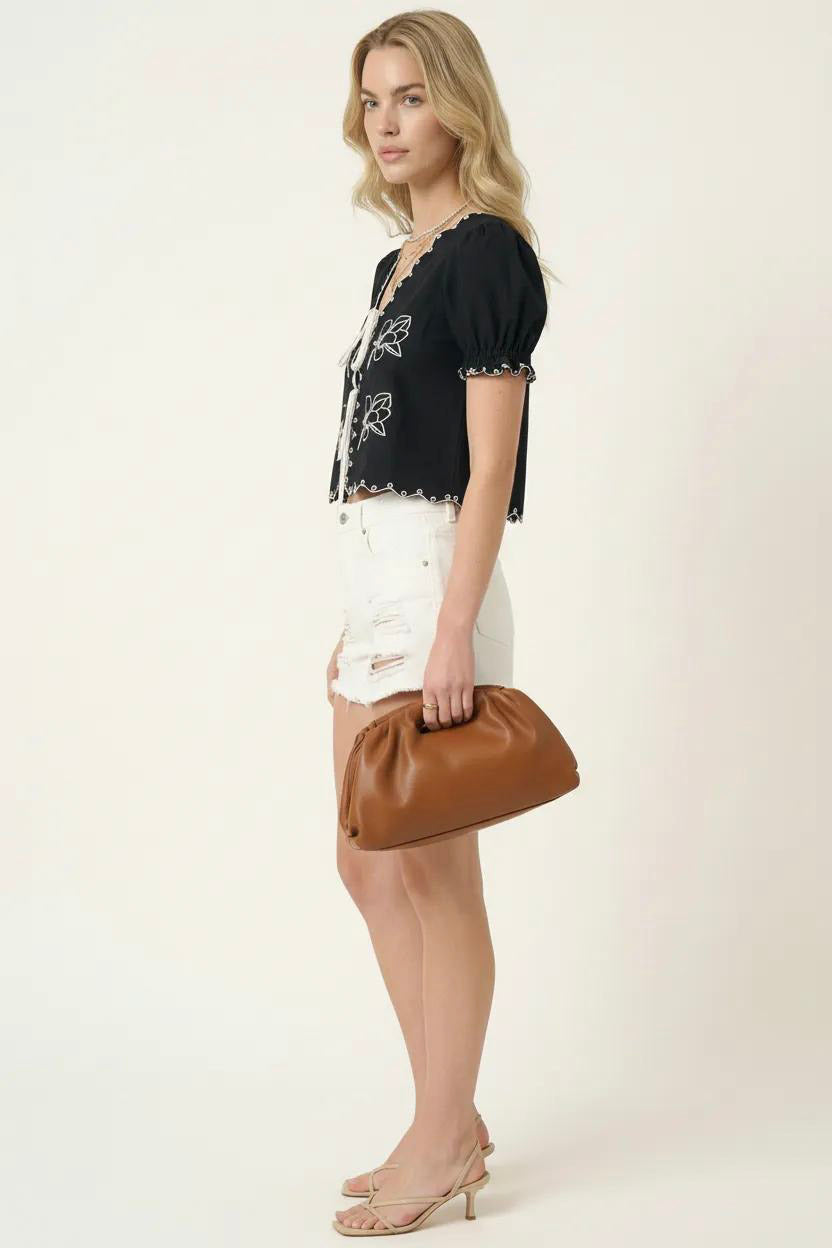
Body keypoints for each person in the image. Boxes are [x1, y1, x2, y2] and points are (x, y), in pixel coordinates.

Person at [326, 11, 552, 1236]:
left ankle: (441, 1138)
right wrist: (357, 619)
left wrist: (451, 626)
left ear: (457, 106)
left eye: (411, 96)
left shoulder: (485, 255)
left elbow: (486, 469)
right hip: (375, 585)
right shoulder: (394, 266)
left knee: (431, 870)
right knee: (366, 865)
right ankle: (442, 1120)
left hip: (432, 583)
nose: (389, 122)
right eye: (373, 100)